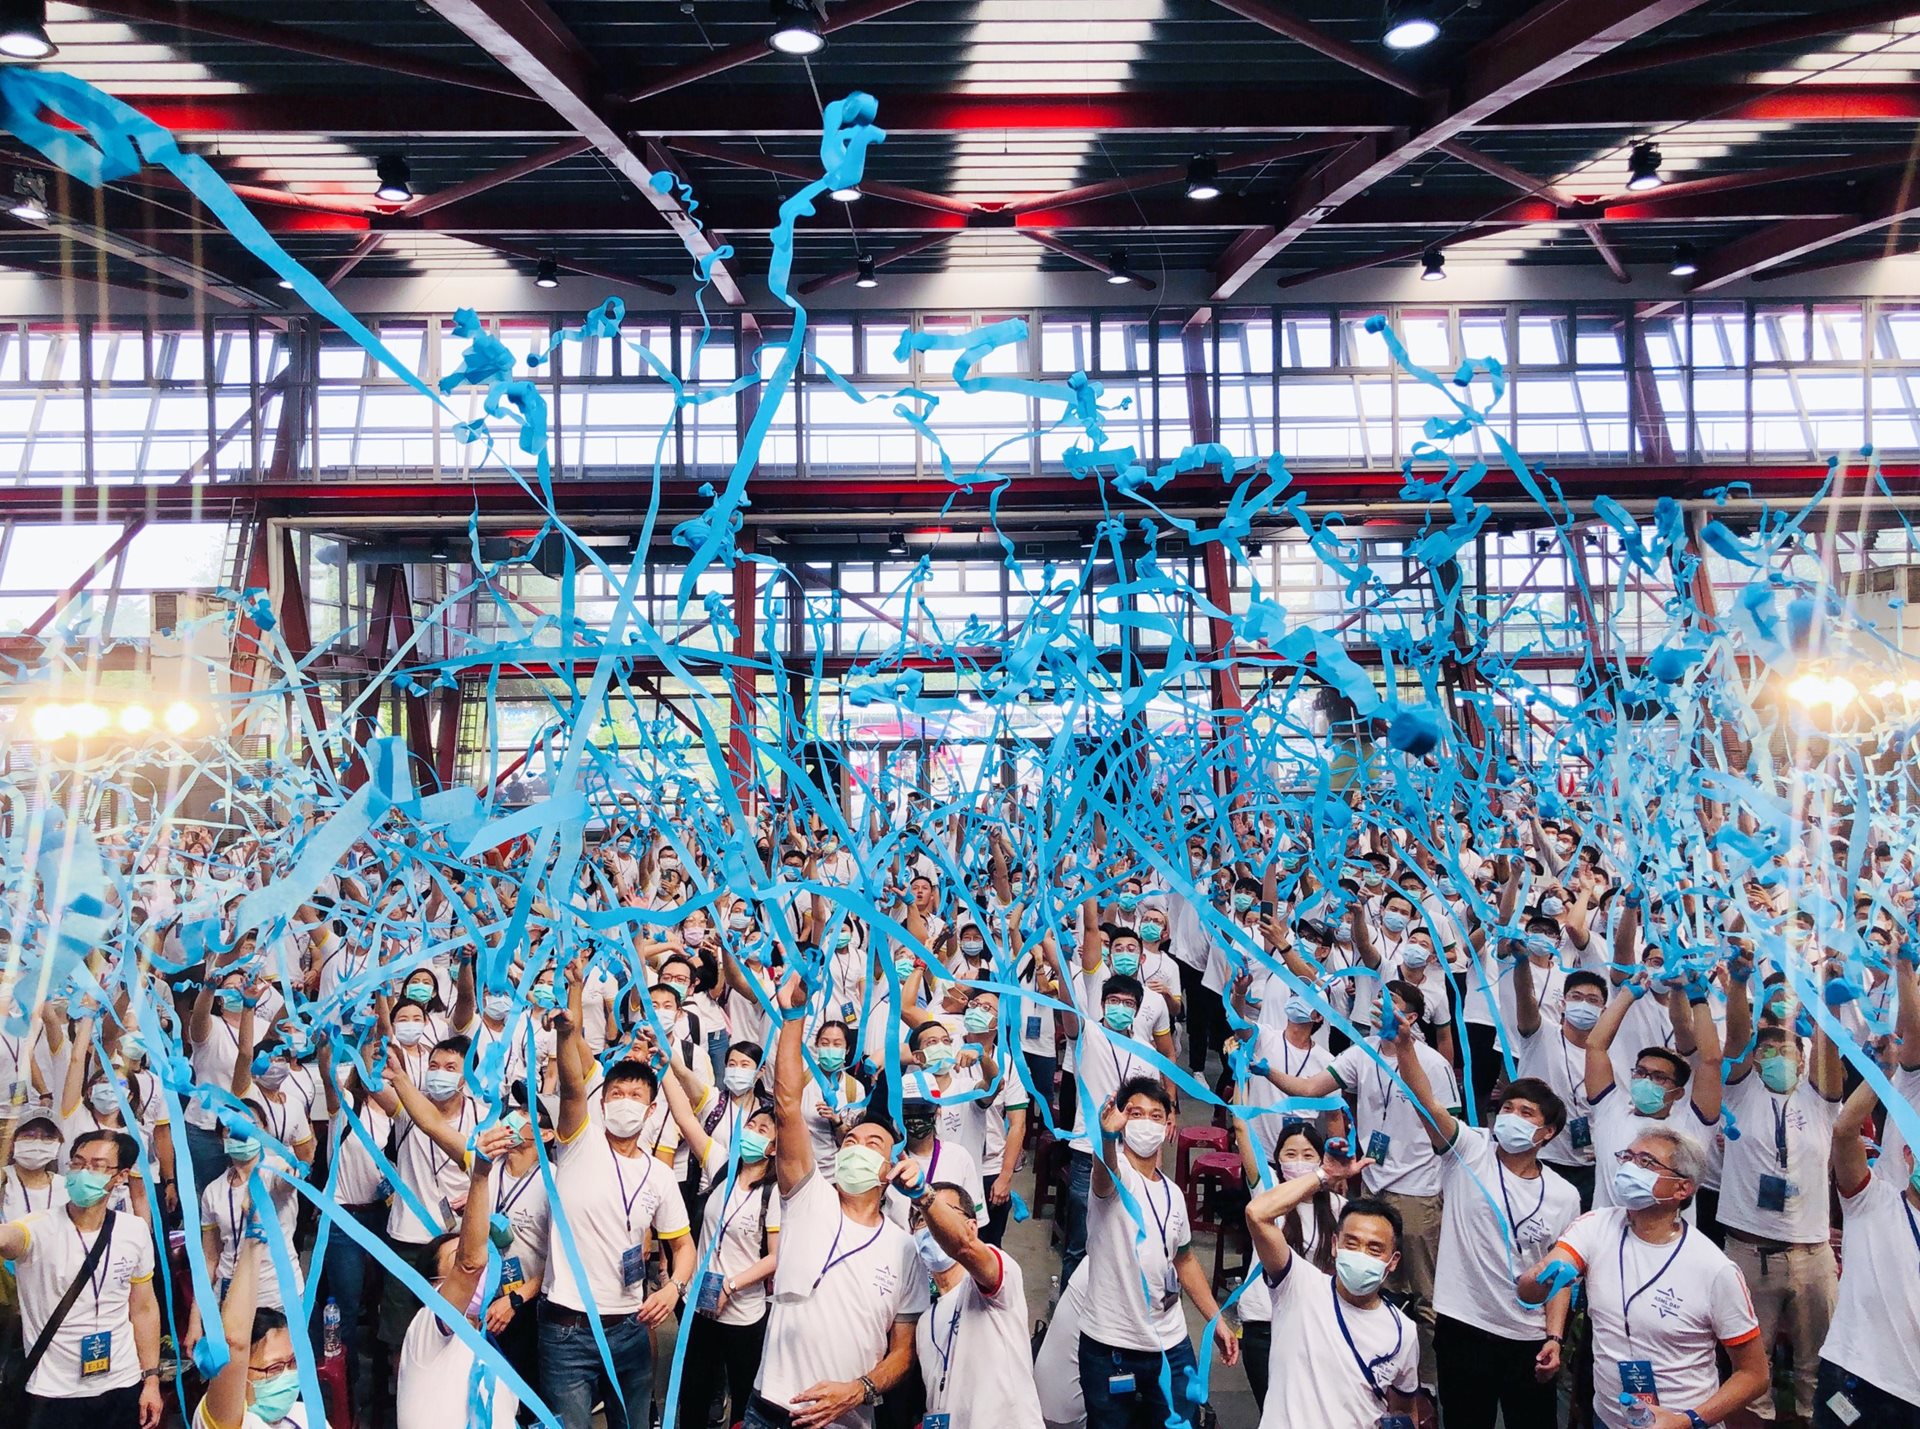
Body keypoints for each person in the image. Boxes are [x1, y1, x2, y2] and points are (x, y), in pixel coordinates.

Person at [1260, 980, 1457, 1390]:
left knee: (1423, 1294)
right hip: (1370, 1183)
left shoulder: (1432, 1064)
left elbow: (1450, 1127)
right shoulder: (1362, 1053)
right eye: (1380, 999)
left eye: (1393, 1002)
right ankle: (1369, 1362)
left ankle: (1425, 1383)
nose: (1380, 1006)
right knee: (1367, 1275)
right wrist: (1269, 1072)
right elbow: (1311, 1088)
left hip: (1418, 1189)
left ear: (1412, 1017)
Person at [751, 973, 920, 1429]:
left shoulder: (904, 1248)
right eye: (852, 1140)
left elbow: (904, 1351)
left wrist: (859, 1390)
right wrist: (793, 1017)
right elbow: (786, 1105)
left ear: (890, 1170)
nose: (857, 1147)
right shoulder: (809, 1198)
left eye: (873, 1145)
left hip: (848, 1416)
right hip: (771, 1409)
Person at [1390, 1026, 1580, 1429]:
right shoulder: (1469, 1151)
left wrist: (1554, 1337)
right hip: (1465, 1327)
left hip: (1527, 1337)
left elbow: (1559, 1275)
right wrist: (1405, 1047)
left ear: (1547, 1133)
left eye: (1526, 1113)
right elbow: (1428, 1103)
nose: (1511, 1117)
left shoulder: (1565, 1196)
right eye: (1507, 1108)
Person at [1519, 1128, 1767, 1429]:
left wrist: (1688, 1420)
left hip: (1679, 1422)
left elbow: (1754, 1375)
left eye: (1646, 1163)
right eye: (1627, 1157)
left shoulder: (1714, 1269)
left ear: (1682, 1189)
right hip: (1608, 1417)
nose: (1629, 1168)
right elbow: (1530, 1291)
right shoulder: (1595, 1226)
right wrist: (1540, 1278)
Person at [543, 956, 696, 1429]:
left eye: (635, 1098)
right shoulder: (578, 1141)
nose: (624, 1104)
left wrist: (674, 1288)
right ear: (602, 1100)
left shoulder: (659, 1175)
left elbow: (683, 1246)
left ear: (651, 1110)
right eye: (616, 1095)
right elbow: (571, 1085)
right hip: (567, 1329)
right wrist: (568, 1028)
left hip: (630, 1328)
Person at [1716, 958, 1844, 1427]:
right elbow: (1733, 1038)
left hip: (1813, 1257)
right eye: (1766, 1049)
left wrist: (1828, 1000)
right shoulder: (1740, 1094)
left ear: (1804, 1058)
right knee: (1750, 1370)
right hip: (1748, 1253)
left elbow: (1831, 1061)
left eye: (1787, 1050)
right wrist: (1741, 984)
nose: (1775, 1056)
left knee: (1818, 1366)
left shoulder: (1820, 1100)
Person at [1078, 1077, 1237, 1429]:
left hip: (1171, 1343)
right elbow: (1105, 1174)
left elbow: (1184, 1260)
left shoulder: (1173, 1194)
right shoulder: (1116, 1179)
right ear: (1121, 1121)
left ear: (1168, 1126)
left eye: (1155, 1115)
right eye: (1135, 1113)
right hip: (1113, 1346)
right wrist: (1105, 1137)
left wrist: (1216, 1320)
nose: (1145, 1123)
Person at [1243, 1141, 1418, 1429]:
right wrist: (1324, 1175)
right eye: (1352, 1243)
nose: (1361, 1253)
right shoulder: (1298, 1285)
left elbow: (1402, 1411)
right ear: (1335, 1245)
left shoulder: (1403, 1331)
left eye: (1374, 1249)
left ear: (1393, 1260)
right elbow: (1257, 1214)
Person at [0, 1129, 163, 1429]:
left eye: (98, 1165)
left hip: (121, 1382)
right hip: (53, 1390)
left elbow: (143, 1308)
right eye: (77, 1163)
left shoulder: (134, 1230)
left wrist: (150, 1378)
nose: (84, 1172)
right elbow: (8, 1238)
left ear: (121, 1176)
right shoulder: (38, 1228)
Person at [657, 1060, 780, 1429]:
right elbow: (684, 1118)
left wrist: (731, 1285)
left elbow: (776, 1257)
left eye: (763, 1130)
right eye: (752, 1126)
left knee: (744, 1400)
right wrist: (663, 1065)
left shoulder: (774, 1193)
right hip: (700, 1305)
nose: (753, 1133)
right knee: (693, 1392)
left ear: (774, 1147)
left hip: (743, 1314)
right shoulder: (723, 1166)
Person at [893, 1161, 1042, 1429]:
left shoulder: (998, 1280)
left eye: (943, 1213)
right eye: (918, 1219)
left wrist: (924, 1198)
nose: (928, 1222)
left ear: (972, 1227)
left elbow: (964, 1247)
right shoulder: (925, 1322)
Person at [396, 1123, 521, 1429]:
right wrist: (480, 1175)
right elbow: (470, 1265)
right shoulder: (428, 1329)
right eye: (454, 1262)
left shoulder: (486, 1340)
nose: (480, 1269)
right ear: (433, 1285)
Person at [1814, 1076, 1920, 1428]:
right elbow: (1844, 1130)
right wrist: (1891, 1072)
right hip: (1857, 1376)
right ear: (1907, 1156)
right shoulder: (1872, 1200)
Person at [1229, 1119, 1342, 1409]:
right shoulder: (1266, 1190)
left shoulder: (1337, 1206)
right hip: (1264, 1325)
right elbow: (1241, 1128)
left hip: (1313, 1326)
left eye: (1308, 1155)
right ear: (1277, 1158)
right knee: (1274, 1412)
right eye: (1290, 1154)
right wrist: (1241, 1076)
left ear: (1321, 1160)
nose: (1299, 1162)